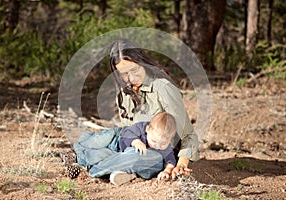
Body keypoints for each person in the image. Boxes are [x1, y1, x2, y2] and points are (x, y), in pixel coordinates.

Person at [74, 38, 199, 182]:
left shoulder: (163, 88)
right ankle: (113, 167)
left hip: (159, 152)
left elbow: (189, 135)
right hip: (131, 144)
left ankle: (91, 170)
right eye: (124, 73)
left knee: (136, 157)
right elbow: (127, 131)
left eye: (134, 70)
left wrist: (182, 163)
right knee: (96, 140)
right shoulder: (124, 93)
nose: (131, 78)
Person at [74, 112, 177, 185]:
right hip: (115, 139)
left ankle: (98, 168)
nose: (157, 146)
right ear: (148, 130)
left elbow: (170, 160)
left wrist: (167, 171)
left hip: (118, 153)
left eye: (162, 144)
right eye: (154, 141)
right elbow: (127, 133)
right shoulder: (141, 127)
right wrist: (136, 141)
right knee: (97, 141)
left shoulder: (165, 148)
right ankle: (80, 146)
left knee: (99, 155)